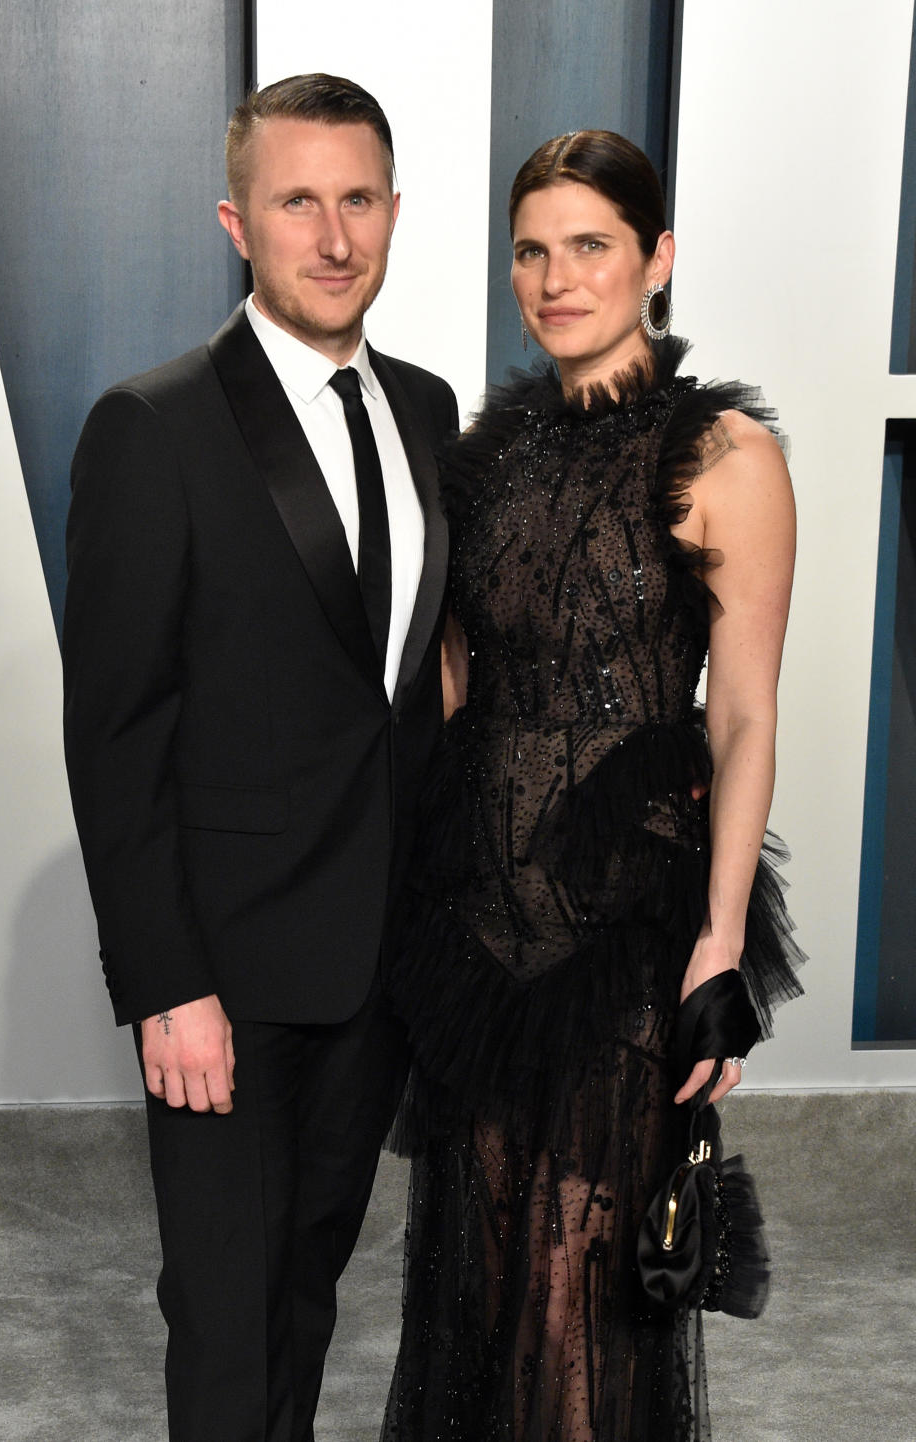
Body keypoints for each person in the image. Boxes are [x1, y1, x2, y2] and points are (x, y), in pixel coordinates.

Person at [380, 130, 803, 1441]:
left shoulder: (720, 455)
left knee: (581, 1300)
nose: (558, 278)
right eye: (532, 250)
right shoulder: (480, 461)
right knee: (480, 1287)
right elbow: (451, 694)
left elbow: (740, 712)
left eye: (592, 246)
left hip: (624, 929)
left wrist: (722, 938)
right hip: (477, 924)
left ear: (656, 258)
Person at [62, 73, 457, 1442]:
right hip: (222, 979)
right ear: (239, 220)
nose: (334, 236)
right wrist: (168, 986)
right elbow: (114, 735)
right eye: (301, 202)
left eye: (358, 200)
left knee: (305, 1297)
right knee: (225, 1324)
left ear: (395, 214)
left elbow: (405, 684)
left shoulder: (425, 411)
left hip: (376, 967)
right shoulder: (152, 427)